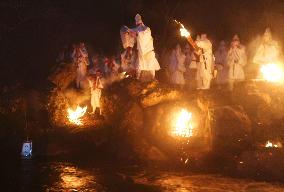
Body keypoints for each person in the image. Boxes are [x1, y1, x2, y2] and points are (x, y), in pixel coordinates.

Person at [130, 14, 160, 80]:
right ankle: (137, 77)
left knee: (151, 63)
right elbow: (132, 33)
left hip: (148, 49)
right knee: (140, 63)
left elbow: (143, 34)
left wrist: (138, 34)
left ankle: (153, 77)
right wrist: (128, 32)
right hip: (141, 50)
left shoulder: (147, 29)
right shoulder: (137, 29)